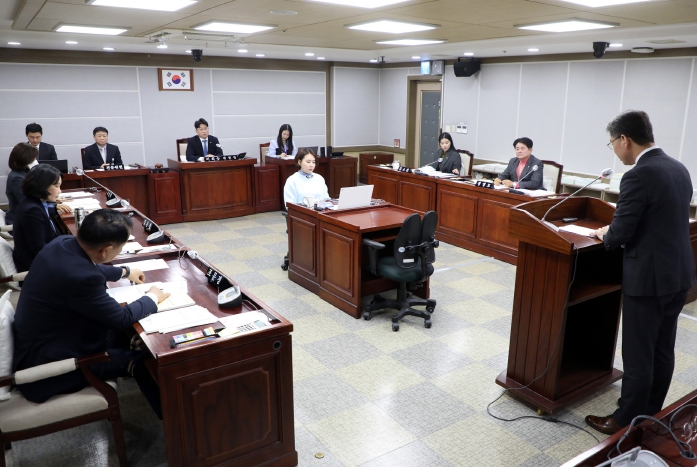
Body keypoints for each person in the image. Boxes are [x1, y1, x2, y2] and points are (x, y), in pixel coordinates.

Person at [585, 110, 696, 435]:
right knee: (662, 348)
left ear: (625, 139)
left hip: (648, 280)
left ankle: (625, 420)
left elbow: (622, 231)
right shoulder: (678, 168)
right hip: (678, 274)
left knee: (638, 353)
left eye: (612, 143)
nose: (614, 150)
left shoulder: (638, 175)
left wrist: (604, 233)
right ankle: (651, 412)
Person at [12, 209, 170, 418]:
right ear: (106, 250)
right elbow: (120, 318)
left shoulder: (62, 243)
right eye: (120, 248)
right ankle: (175, 425)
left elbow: (84, 267)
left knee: (127, 335)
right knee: (148, 362)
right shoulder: (82, 278)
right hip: (52, 367)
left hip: (41, 341)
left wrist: (123, 271)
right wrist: (152, 297)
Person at [12, 164, 72, 272]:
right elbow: (39, 249)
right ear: (43, 185)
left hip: (45, 257)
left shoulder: (34, 202)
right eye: (57, 186)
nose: (60, 191)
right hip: (38, 267)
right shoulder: (32, 211)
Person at [6, 143, 71, 226]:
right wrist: (54, 206)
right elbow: (28, 202)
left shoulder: (24, 173)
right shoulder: (16, 178)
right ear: (23, 159)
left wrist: (50, 198)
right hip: (22, 220)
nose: (36, 162)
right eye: (33, 159)